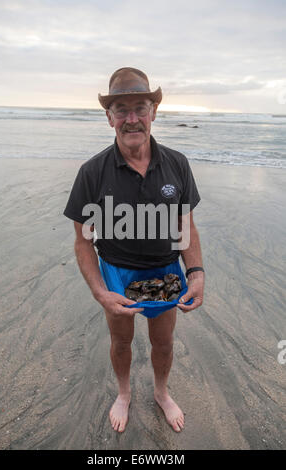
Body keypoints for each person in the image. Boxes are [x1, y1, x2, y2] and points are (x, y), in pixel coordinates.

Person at [63, 67, 205, 433]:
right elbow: (83, 241)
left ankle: (160, 391)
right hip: (116, 272)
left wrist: (196, 273)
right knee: (121, 340)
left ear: (153, 112)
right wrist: (99, 291)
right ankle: (123, 393)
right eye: (121, 110)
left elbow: (185, 225)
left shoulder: (177, 164)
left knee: (163, 341)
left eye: (140, 108)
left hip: (165, 269)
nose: (132, 119)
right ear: (108, 117)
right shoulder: (92, 173)